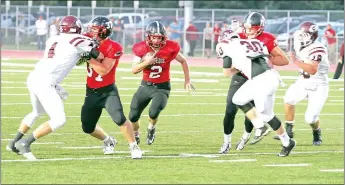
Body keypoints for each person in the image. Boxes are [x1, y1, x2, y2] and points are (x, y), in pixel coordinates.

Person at [6, 15, 104, 160]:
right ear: (75, 27)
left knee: (36, 112)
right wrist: (94, 44)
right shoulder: (78, 40)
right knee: (59, 119)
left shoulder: (53, 39)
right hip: (45, 81)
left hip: (34, 77)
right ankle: (25, 143)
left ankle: (13, 142)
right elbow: (98, 55)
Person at [217, 12, 291, 154]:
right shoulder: (239, 35)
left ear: (260, 28)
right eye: (247, 28)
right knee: (257, 112)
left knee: (245, 104)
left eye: (253, 28)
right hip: (249, 75)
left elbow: (284, 60)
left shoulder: (265, 39)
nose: (249, 31)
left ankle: (253, 130)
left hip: (259, 76)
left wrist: (268, 58)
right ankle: (287, 142)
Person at [80, 16, 142, 159]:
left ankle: (134, 146)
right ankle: (108, 141)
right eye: (92, 28)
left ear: (104, 31)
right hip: (91, 91)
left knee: (119, 118)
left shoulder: (114, 47)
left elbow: (103, 70)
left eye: (96, 29)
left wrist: (88, 56)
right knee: (87, 127)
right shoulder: (87, 39)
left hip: (108, 91)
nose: (92, 31)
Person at [129, 21, 194, 145]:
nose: (157, 41)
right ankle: (136, 134)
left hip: (162, 87)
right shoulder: (141, 48)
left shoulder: (170, 47)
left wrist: (187, 80)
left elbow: (183, 61)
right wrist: (147, 62)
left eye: (160, 38)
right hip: (145, 85)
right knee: (132, 116)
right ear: (149, 37)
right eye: (154, 37)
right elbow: (134, 70)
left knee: (153, 113)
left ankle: (151, 127)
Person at [272, 22, 330, 146]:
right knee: (288, 99)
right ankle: (289, 130)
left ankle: (316, 131)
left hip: (318, 84)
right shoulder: (299, 44)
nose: (301, 37)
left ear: (312, 36)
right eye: (302, 34)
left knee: (310, 118)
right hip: (303, 81)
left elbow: (312, 70)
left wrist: (295, 60)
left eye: (306, 34)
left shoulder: (318, 48)